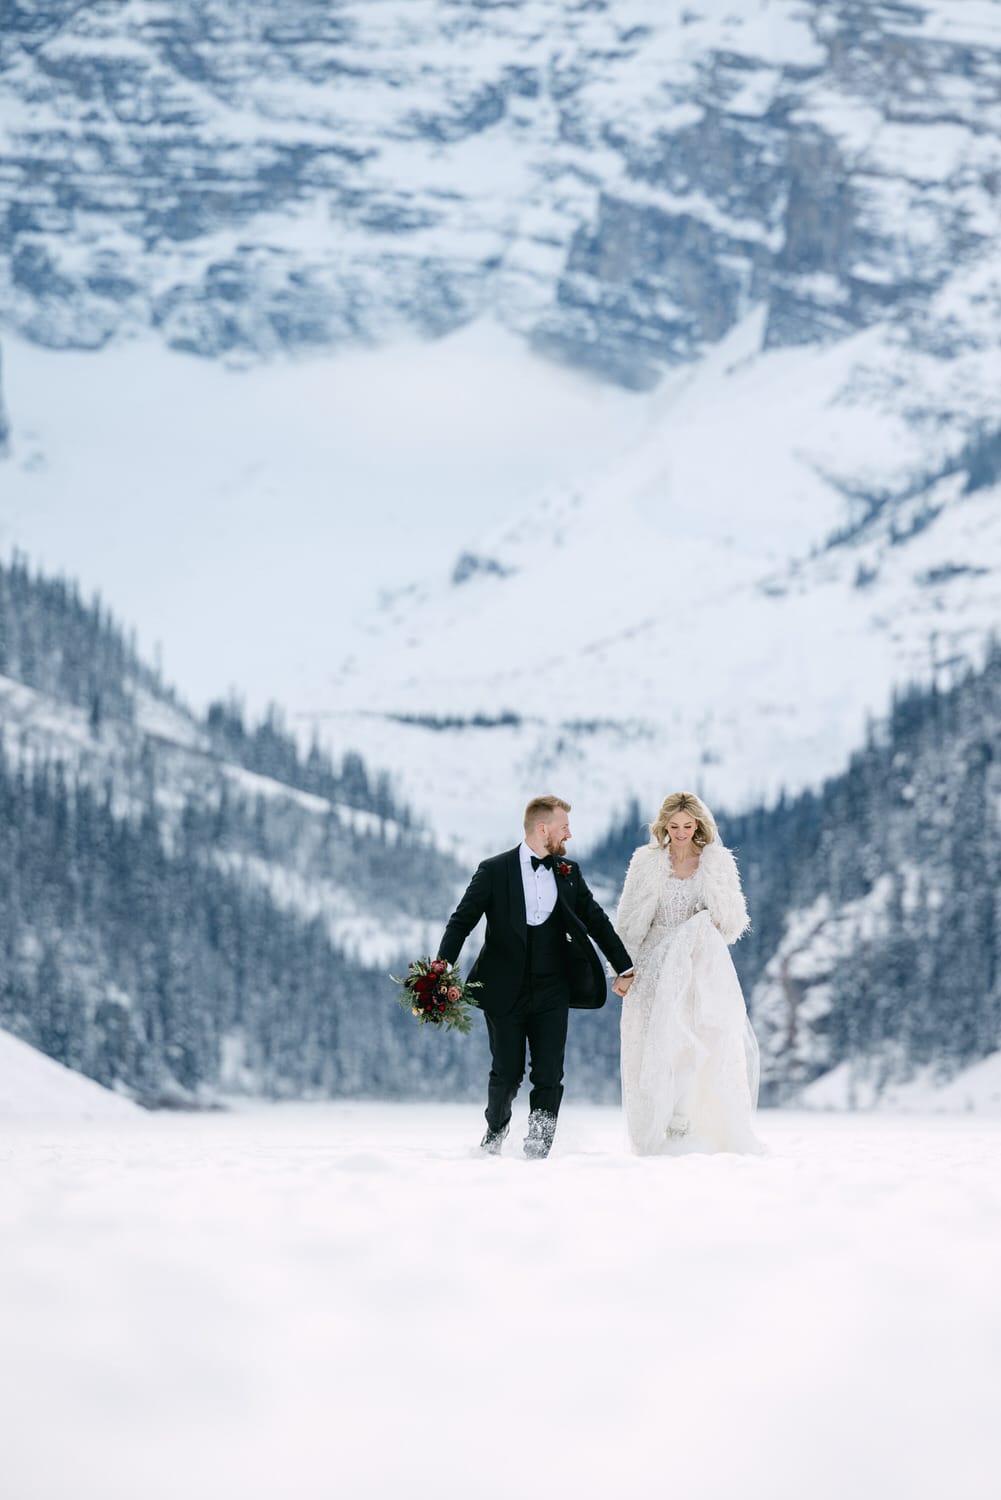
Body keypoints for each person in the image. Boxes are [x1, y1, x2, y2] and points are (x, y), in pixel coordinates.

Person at [437, 795, 633, 1159]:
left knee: (549, 1074)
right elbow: (462, 921)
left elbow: (596, 920)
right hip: (503, 990)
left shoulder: (569, 873)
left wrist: (625, 966)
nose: (569, 835)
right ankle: (495, 1130)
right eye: (564, 828)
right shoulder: (494, 870)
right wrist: (440, 967)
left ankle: (539, 1146)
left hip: (553, 989)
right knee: (507, 1073)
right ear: (543, 829)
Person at [613, 791, 763, 1155]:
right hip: (652, 963)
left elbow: (731, 921)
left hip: (696, 966)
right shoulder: (646, 862)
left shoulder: (716, 863)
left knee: (691, 1041)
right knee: (651, 1042)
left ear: (698, 825)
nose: (680, 832)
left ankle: (684, 1124)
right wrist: (623, 968)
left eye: (687, 825)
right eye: (674, 826)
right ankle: (657, 1123)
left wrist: (706, 922)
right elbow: (630, 919)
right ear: (663, 826)